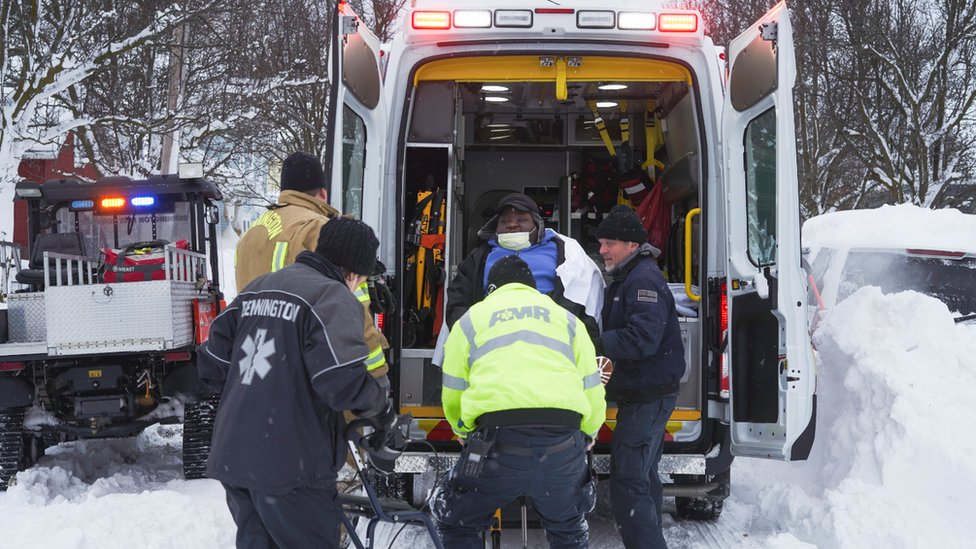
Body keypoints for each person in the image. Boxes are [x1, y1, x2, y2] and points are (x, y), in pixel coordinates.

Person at [199, 218, 397, 549]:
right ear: (352, 273)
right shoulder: (332, 298)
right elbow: (340, 381)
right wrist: (380, 405)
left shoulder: (258, 287)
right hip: (291, 467)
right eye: (361, 278)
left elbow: (212, 365)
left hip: (235, 456)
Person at [433, 255, 607, 548]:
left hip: (496, 445)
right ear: (532, 287)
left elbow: (453, 390)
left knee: (458, 523)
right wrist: (589, 431)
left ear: (492, 289)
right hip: (562, 444)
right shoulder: (569, 321)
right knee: (568, 529)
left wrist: (463, 431)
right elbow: (591, 387)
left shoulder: (470, 321)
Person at [235, 151, 389, 380]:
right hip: (307, 371)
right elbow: (352, 310)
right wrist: (376, 375)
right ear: (323, 193)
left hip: (257, 365)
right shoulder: (318, 228)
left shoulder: (251, 233)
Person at [596, 205, 685, 549]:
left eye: (609, 243)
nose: (602, 249)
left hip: (649, 396)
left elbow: (642, 338)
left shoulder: (642, 279)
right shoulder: (629, 276)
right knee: (644, 476)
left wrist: (593, 341)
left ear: (632, 244)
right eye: (601, 242)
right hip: (644, 393)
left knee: (629, 480)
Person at [445, 192, 604, 347]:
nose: (512, 224)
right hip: (492, 342)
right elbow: (457, 304)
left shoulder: (566, 252)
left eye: (521, 219)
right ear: (496, 228)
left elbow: (584, 301)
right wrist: (476, 337)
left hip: (551, 340)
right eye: (504, 221)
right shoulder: (479, 257)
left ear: (537, 225)